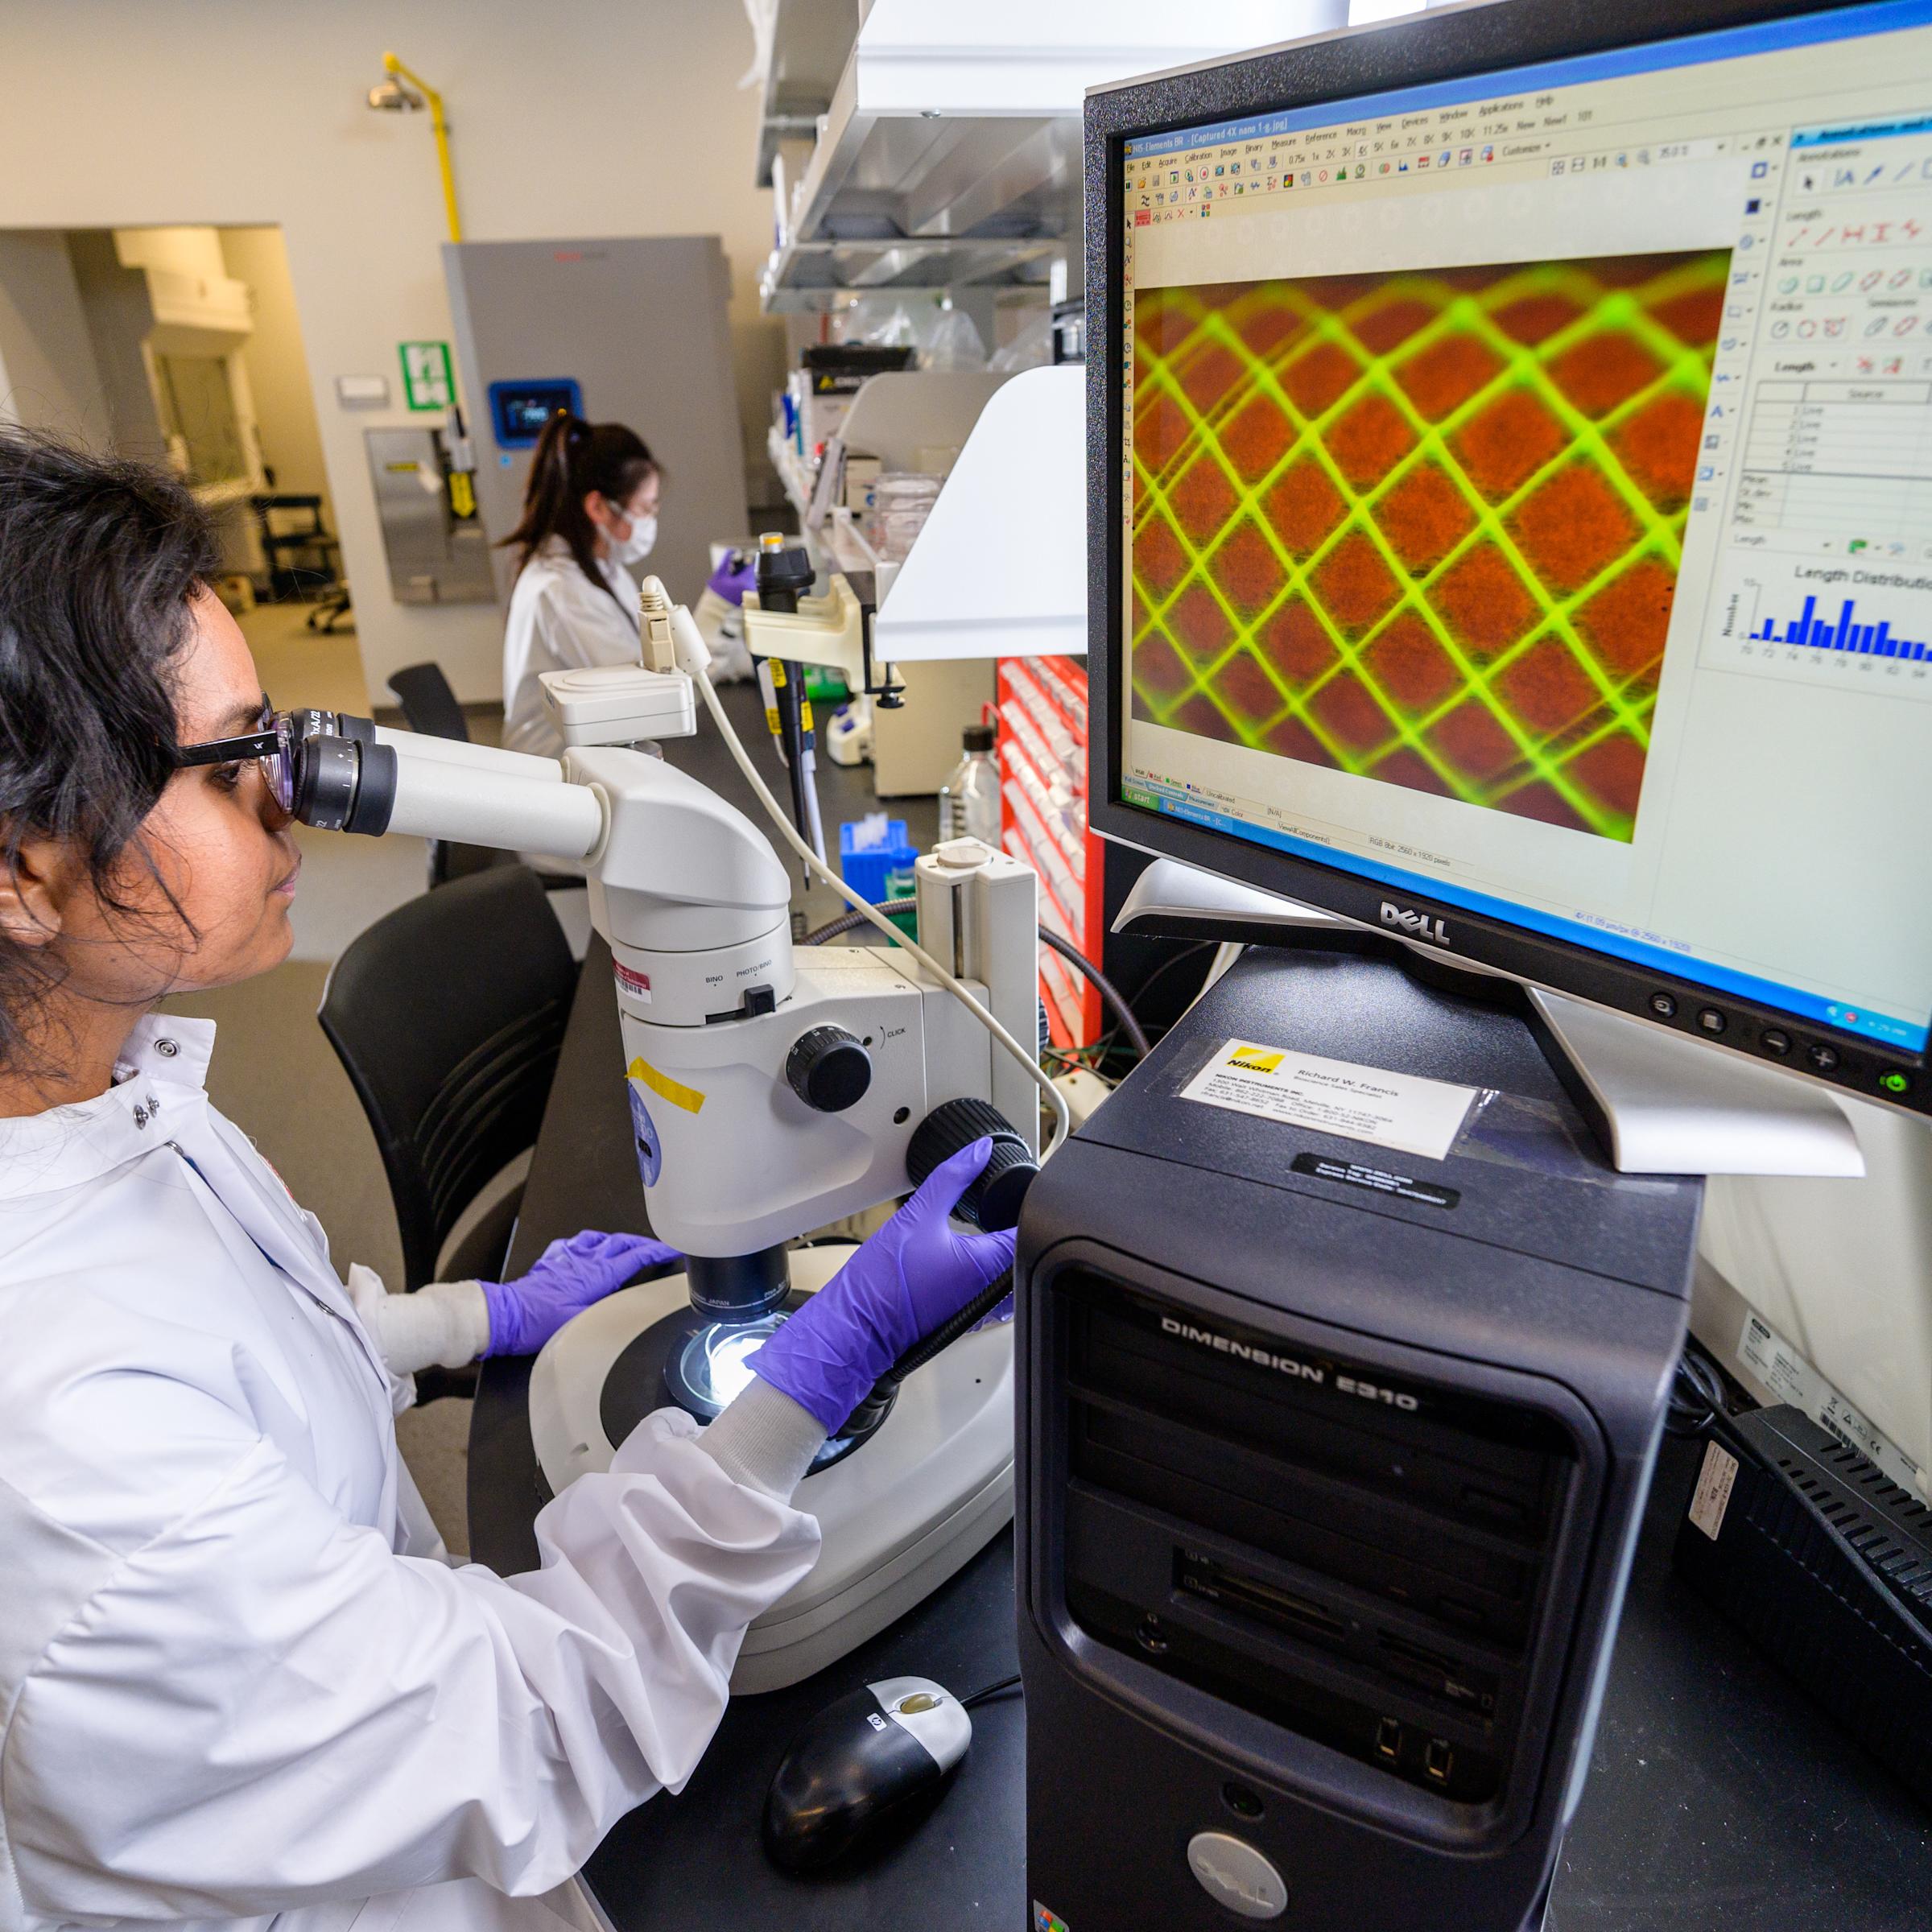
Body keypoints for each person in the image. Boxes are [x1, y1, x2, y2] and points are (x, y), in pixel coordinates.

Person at [0, 428, 1015, 1932]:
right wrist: (809, 1381)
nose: (287, 801)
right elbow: (526, 1724)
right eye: (229, 766)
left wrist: (466, 1320)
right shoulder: (58, 1433)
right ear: (24, 870)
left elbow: (241, 1346)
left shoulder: (99, 1080)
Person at [499, 411, 662, 758]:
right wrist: (714, 617)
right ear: (599, 507)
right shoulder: (561, 589)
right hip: (552, 775)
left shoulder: (601, 567)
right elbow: (645, 699)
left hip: (591, 752)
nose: (651, 521)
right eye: (645, 508)